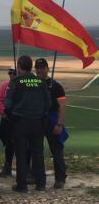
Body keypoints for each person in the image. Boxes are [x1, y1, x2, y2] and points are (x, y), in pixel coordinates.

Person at [5, 55, 50, 193]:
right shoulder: (41, 81)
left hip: (21, 123)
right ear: (31, 67)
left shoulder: (15, 82)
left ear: (19, 66)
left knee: (21, 153)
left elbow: (8, 104)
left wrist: (12, 117)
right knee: (38, 153)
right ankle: (41, 184)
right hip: (37, 122)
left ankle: (21, 185)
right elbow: (48, 103)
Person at [34, 58, 68, 189]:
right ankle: (36, 176)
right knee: (36, 151)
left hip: (52, 120)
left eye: (42, 67)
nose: (40, 70)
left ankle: (60, 178)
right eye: (38, 67)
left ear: (48, 68)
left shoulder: (56, 86)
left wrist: (59, 124)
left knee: (56, 150)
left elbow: (62, 106)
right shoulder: (33, 85)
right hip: (37, 121)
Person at [0, 68, 16, 178]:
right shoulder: (5, 86)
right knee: (9, 143)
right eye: (10, 73)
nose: (11, 75)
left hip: (19, 119)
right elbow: (0, 101)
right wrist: (4, 113)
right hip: (7, 119)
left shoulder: (20, 85)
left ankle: (25, 168)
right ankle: (7, 166)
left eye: (13, 73)